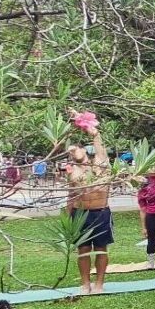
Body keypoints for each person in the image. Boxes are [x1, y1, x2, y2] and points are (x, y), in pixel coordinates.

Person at [65, 114, 112, 295]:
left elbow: (98, 143)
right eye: (70, 152)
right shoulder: (73, 172)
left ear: (85, 150)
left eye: (75, 149)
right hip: (80, 213)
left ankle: (99, 283)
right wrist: (68, 219)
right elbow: (70, 196)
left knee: (101, 249)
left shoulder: (101, 165)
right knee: (83, 249)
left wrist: (90, 128)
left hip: (100, 212)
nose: (72, 152)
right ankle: (85, 284)